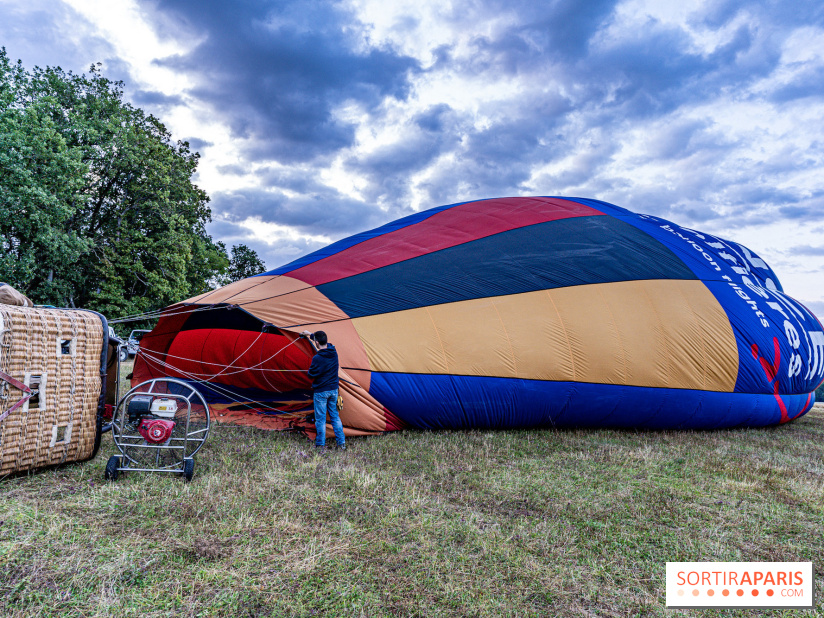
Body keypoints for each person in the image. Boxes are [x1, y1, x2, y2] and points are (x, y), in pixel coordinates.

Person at [300, 330, 345, 451]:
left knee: (320, 420)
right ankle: (341, 443)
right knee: (335, 417)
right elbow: (323, 342)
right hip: (333, 390)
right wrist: (310, 334)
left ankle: (320, 445)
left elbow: (311, 374)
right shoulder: (333, 351)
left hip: (321, 392)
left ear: (317, 343)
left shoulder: (317, 358)